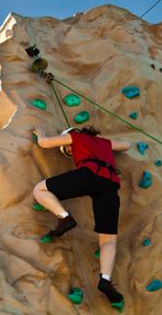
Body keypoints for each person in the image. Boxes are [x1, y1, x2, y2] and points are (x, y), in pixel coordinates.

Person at [32, 125, 131, 309]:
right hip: (109, 185)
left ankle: (64, 217)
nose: (69, 151)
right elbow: (127, 145)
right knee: (108, 240)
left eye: (67, 149)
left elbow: (44, 143)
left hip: (88, 175)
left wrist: (40, 132)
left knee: (39, 189)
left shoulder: (74, 136)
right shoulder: (104, 142)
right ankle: (105, 280)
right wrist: (100, 140)